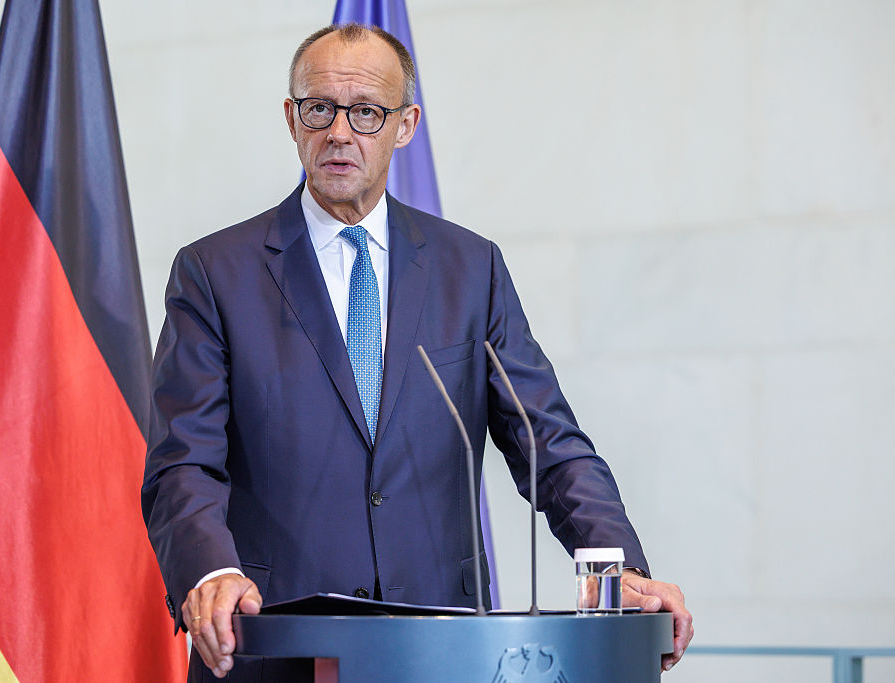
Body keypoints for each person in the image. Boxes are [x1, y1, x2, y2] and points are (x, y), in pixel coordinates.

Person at [142, 23, 693, 682]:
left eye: (367, 112)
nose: (340, 132)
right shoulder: (214, 272)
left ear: (405, 125)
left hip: (444, 645)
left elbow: (549, 441)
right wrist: (212, 569)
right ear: (291, 119)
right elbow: (183, 461)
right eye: (320, 108)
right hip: (273, 643)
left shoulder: (471, 268)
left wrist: (619, 568)